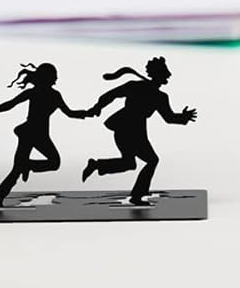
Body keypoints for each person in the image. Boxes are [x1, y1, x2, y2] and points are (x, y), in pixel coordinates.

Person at [0, 62, 91, 206]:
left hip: (34, 132)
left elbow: (69, 113)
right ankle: (13, 181)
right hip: (34, 133)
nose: (56, 79)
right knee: (50, 163)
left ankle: (6, 189)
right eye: (54, 76)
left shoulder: (48, 94)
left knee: (24, 166)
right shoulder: (45, 94)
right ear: (48, 78)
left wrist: (86, 113)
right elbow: (9, 105)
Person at [81, 57, 196, 205]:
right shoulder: (136, 87)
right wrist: (97, 108)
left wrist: (183, 117)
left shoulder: (160, 97)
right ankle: (137, 195)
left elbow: (169, 118)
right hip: (126, 127)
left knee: (129, 163)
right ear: (159, 74)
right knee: (151, 161)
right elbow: (110, 95)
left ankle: (97, 165)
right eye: (165, 72)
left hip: (136, 129)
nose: (169, 75)